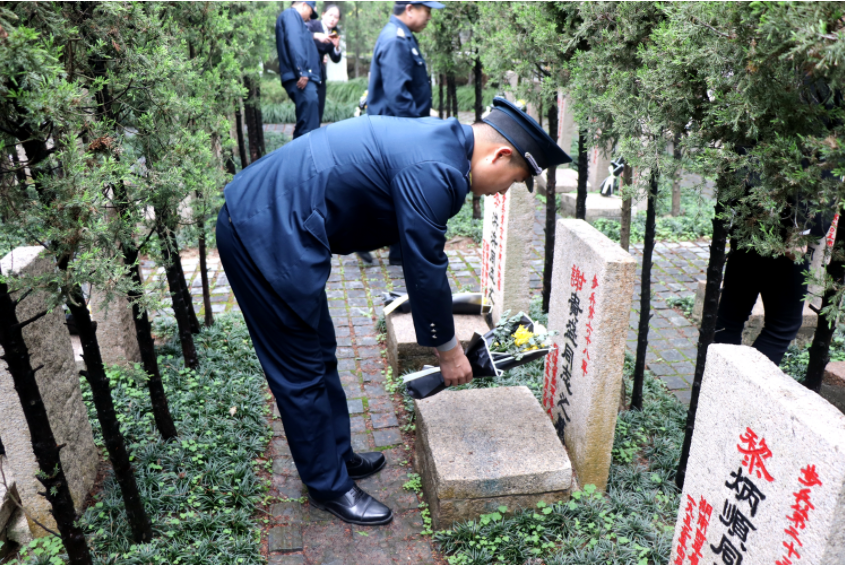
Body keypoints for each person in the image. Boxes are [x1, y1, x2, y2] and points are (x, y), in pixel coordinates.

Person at [217, 98, 570, 525]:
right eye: (512, 180)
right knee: (300, 371)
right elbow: (425, 266)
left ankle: (337, 455)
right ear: (500, 154)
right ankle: (327, 486)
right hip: (264, 229)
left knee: (321, 351)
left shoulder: (443, 145)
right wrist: (449, 351)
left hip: (286, 223)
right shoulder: (437, 169)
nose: (501, 191)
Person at [368, 0, 444, 266]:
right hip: (397, 130)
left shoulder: (401, 35)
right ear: (410, 8)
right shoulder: (397, 40)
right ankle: (362, 236)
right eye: (427, 10)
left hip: (397, 128)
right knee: (398, 190)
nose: (430, 17)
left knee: (397, 192)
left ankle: (398, 252)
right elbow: (398, 95)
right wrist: (417, 131)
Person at [275, 1, 321, 139]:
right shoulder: (291, 14)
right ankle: (304, 159)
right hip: (301, 78)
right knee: (308, 128)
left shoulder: (293, 18)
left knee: (306, 123)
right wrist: (302, 71)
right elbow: (294, 41)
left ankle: (298, 158)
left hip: (303, 76)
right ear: (304, 5)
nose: (310, 18)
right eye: (311, 13)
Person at [306, 3, 342, 123]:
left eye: (336, 17)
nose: (333, 19)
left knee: (319, 112)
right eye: (330, 15)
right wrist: (318, 37)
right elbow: (302, 38)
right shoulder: (312, 25)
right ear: (323, 15)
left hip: (321, 75)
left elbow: (335, 58)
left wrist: (336, 47)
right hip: (307, 74)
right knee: (308, 112)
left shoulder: (334, 32)